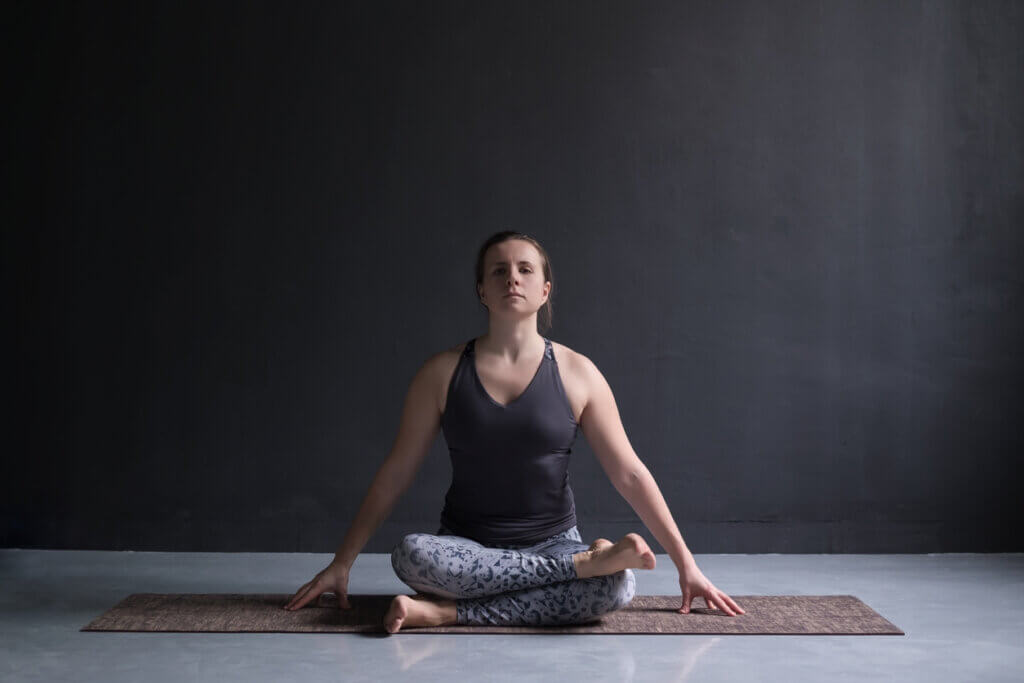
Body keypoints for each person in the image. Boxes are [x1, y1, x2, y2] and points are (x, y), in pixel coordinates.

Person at [283, 231, 745, 632]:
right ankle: (578, 568)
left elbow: (630, 473)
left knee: (619, 586)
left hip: (554, 537)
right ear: (481, 289)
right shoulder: (441, 373)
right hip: (464, 547)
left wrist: (688, 564)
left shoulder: (578, 373)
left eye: (525, 269)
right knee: (412, 556)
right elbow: (396, 472)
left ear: (545, 290)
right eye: (499, 270)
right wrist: (342, 562)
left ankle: (445, 614)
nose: (512, 278)